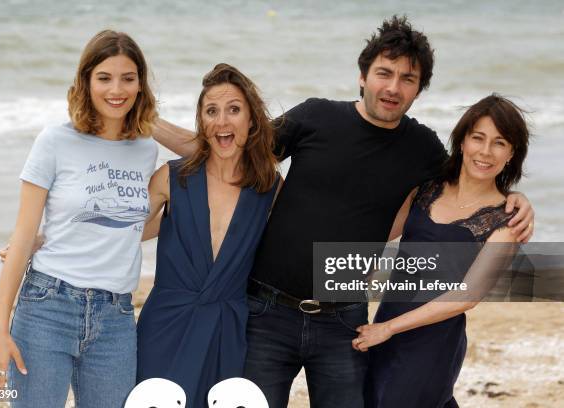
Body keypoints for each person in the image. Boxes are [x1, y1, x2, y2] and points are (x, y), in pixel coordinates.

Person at [152, 16, 535, 407]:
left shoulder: (422, 148)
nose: (393, 87)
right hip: (267, 312)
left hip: (345, 322)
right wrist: (147, 121)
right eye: (384, 73)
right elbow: (225, 153)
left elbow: (471, 179)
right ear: (362, 76)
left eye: (408, 78)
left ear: (419, 91)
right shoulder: (315, 117)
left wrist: (514, 199)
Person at [0, 30, 158, 407]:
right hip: (48, 306)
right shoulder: (55, 141)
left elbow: (129, 224)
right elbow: (23, 234)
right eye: (104, 77)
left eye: (128, 78)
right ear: (85, 81)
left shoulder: (146, 150)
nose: (117, 89)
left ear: (140, 85)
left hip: (115, 316)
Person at [355, 94, 529, 407]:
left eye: (499, 142)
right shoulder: (427, 189)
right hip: (384, 325)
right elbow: (378, 234)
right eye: (478, 138)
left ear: (511, 153)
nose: (485, 152)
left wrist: (388, 329)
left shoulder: (505, 222)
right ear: (462, 141)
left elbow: (468, 296)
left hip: (432, 343)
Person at [136, 63, 280, 407]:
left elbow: (292, 251)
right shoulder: (172, 178)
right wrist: (46, 238)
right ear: (201, 121)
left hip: (228, 330)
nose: (222, 121)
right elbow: (124, 231)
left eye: (234, 110)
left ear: (251, 120)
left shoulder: (270, 187)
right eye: (211, 111)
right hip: (165, 323)